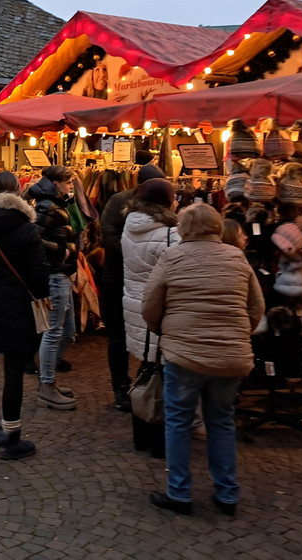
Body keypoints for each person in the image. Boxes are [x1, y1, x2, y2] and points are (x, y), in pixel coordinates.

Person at [142, 204, 265, 516]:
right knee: (221, 421)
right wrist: (239, 334)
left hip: (184, 354)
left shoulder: (172, 257)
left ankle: (179, 492)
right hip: (231, 356)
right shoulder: (237, 258)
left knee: (178, 422)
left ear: (183, 229)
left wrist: (165, 332)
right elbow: (256, 306)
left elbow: (150, 306)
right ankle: (227, 493)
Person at [0, 171, 50, 459]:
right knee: (13, 370)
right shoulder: (27, 229)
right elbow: (39, 273)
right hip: (17, 305)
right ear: (18, 191)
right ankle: (12, 436)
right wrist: (40, 294)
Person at [98, 154, 162, 411]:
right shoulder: (119, 202)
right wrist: (137, 250)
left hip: (146, 279)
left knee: (150, 334)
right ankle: (120, 387)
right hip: (117, 278)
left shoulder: (160, 205)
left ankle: (143, 382)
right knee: (118, 336)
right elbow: (108, 237)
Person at [121, 177, 178, 455]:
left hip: (135, 305)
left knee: (146, 370)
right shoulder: (169, 233)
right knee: (164, 376)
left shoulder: (130, 224)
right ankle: (160, 441)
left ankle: (141, 433)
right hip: (160, 309)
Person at [26, 164, 79, 411]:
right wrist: (61, 250)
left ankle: (47, 379)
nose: (71, 186)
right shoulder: (47, 205)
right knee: (54, 331)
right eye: (69, 182)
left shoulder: (55, 202)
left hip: (61, 273)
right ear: (57, 183)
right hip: (54, 274)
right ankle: (46, 385)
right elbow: (33, 237)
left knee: (67, 332)